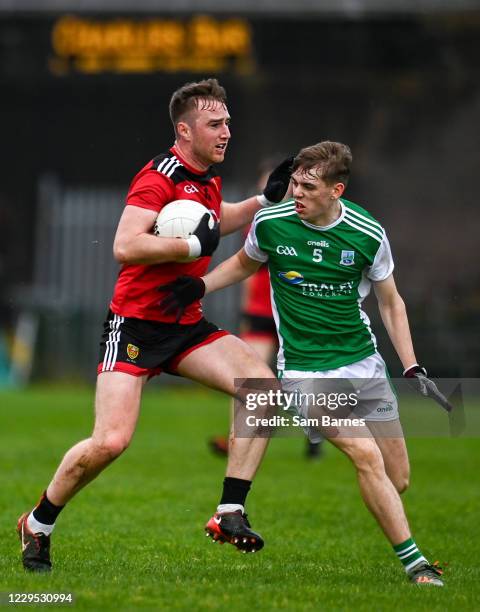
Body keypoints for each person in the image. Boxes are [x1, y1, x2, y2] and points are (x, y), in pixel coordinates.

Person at [17, 78, 291, 572]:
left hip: (184, 324)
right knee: (111, 442)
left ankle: (230, 511)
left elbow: (212, 220)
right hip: (136, 327)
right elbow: (126, 244)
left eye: (228, 121)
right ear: (184, 131)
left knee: (263, 390)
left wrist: (258, 203)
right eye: (215, 124)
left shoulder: (206, 174)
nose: (227, 131)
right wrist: (190, 248)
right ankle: (39, 522)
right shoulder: (159, 177)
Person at [160, 141, 446, 586]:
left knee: (398, 478)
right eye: (294, 182)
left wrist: (411, 366)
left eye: (308, 186)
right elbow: (240, 264)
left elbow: (391, 304)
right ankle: (417, 565)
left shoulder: (368, 232)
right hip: (306, 372)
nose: (296, 192)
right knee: (365, 456)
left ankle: (378, 500)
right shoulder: (272, 223)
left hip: (363, 365)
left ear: (337, 191)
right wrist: (199, 287)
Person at [210, 159, 323, 459]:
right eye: (264, 183)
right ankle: (238, 437)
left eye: (275, 183)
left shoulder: (309, 221)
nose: (269, 188)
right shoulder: (257, 221)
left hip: (293, 312)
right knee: (249, 377)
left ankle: (315, 431)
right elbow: (246, 268)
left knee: (301, 378)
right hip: (260, 312)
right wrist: (246, 309)